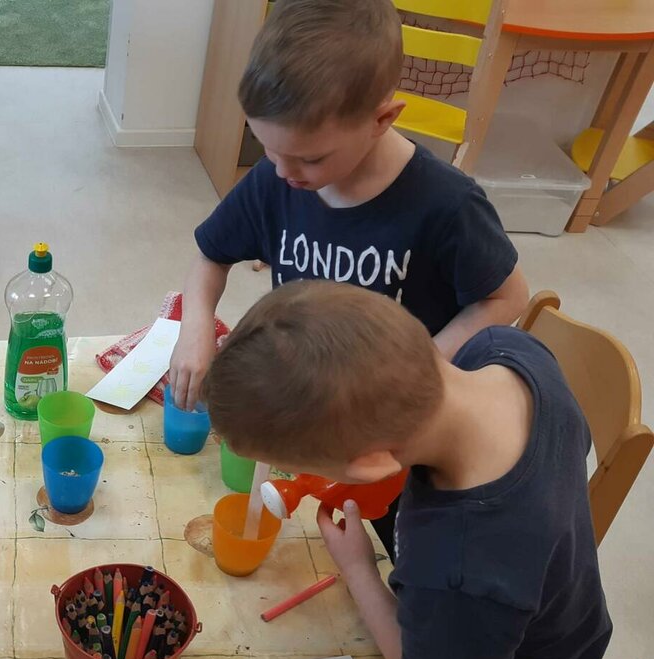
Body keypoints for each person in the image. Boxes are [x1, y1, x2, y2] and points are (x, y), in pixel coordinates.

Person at [205, 280, 611, 659]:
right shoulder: (504, 351)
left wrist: (359, 571)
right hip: (555, 637)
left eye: (306, 472)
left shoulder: (461, 565)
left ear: (371, 465)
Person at [170, 0, 528, 552]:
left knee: (386, 551)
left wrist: (429, 362)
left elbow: (508, 297)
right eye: (268, 148)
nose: (283, 171)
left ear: (382, 119)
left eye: (310, 158)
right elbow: (210, 255)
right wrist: (196, 323)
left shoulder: (446, 205)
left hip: (392, 441)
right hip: (317, 418)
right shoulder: (278, 177)